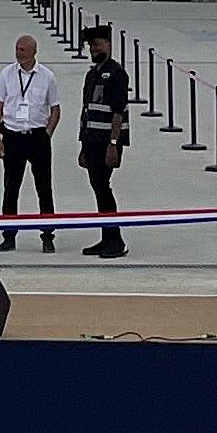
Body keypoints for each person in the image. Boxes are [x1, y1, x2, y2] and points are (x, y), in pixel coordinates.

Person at [0, 32, 60, 252]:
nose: (18, 53)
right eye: (17, 49)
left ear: (33, 52)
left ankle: (48, 235)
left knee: (44, 188)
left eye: (23, 50)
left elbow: (55, 110)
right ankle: (9, 235)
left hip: (37, 136)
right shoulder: (7, 74)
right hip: (13, 136)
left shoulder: (47, 77)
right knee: (11, 187)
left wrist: (46, 134)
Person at [74, 24, 133, 259]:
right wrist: (83, 145)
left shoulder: (115, 73)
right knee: (99, 189)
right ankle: (107, 237)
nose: (93, 48)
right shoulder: (93, 73)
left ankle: (115, 240)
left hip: (107, 142)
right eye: (91, 45)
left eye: (97, 44)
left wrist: (113, 143)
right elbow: (87, 111)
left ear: (108, 44)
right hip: (92, 141)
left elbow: (118, 111)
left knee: (103, 188)